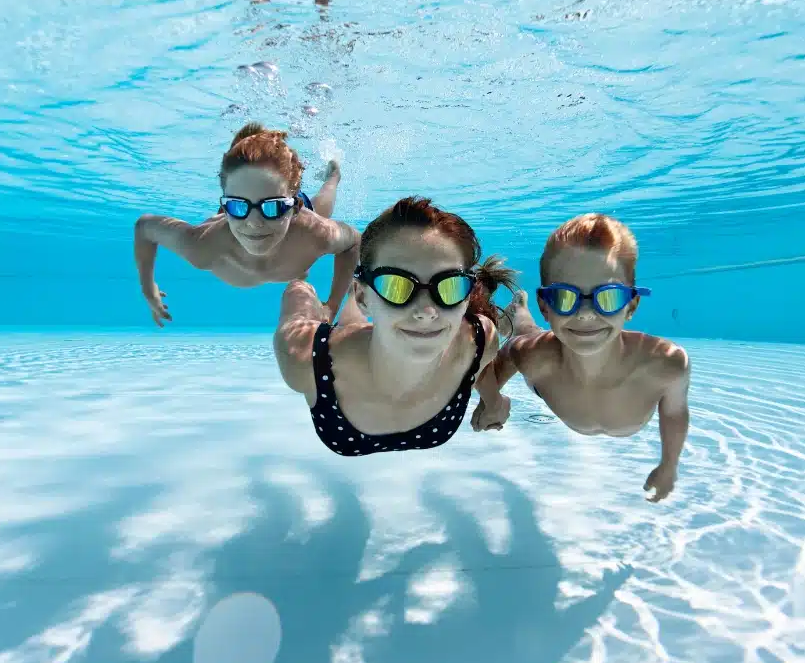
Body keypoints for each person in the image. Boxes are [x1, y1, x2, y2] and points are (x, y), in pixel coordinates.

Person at [472, 214, 691, 502]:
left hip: (551, 352)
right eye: (565, 297)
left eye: (608, 297)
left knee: (532, 334)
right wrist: (490, 401)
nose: (586, 313)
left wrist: (669, 465)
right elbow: (495, 360)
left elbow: (674, 413)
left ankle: (521, 313)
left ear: (631, 305)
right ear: (546, 306)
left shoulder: (666, 364)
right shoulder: (534, 357)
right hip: (547, 371)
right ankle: (520, 312)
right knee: (523, 334)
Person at [274, 197, 517, 456]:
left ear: (466, 296)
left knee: (359, 324)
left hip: (369, 330)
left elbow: (479, 369)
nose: (426, 312)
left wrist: (493, 401)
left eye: (449, 286)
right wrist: (300, 284)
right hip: (344, 339)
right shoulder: (302, 358)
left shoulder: (479, 340)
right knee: (305, 293)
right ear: (362, 296)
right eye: (396, 286)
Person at [134, 123, 355, 327]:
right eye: (238, 207)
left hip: (297, 229)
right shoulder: (201, 246)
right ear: (224, 209)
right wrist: (147, 288)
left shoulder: (314, 233)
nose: (254, 223)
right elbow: (144, 227)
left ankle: (334, 173)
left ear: (296, 206)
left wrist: (332, 307)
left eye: (273, 207)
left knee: (324, 200)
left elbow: (353, 242)